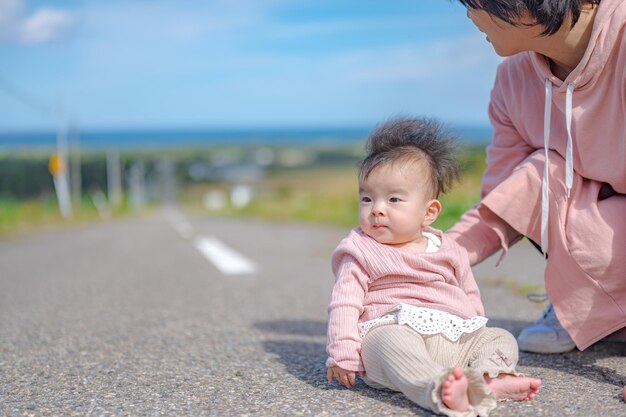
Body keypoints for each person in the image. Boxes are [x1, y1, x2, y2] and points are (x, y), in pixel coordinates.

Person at [448, 0, 626, 370]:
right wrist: (431, 259)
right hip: (604, 225)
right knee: (539, 171)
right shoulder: (512, 80)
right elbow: (504, 196)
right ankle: (588, 305)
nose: (467, 15)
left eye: (473, 3)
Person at [325, 117, 541, 417]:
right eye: (366, 198)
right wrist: (343, 354)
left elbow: (469, 293)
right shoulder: (360, 249)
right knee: (387, 342)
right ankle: (438, 388)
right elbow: (344, 304)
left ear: (429, 212)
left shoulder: (447, 248)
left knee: (499, 337)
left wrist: (474, 329)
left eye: (394, 199)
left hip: (454, 338)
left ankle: (490, 379)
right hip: (394, 332)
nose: (377, 208)